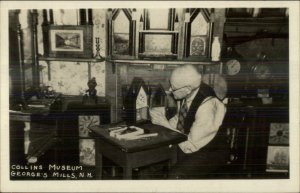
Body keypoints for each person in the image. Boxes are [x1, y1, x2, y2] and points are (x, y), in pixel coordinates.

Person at [149, 65, 228, 179]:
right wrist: (161, 119)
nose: (170, 90)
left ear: (187, 89)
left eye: (173, 88)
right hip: (189, 142)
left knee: (176, 175)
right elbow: (180, 117)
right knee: (151, 162)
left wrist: (164, 124)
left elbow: (190, 146)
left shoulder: (207, 106)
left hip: (209, 151)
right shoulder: (190, 92)